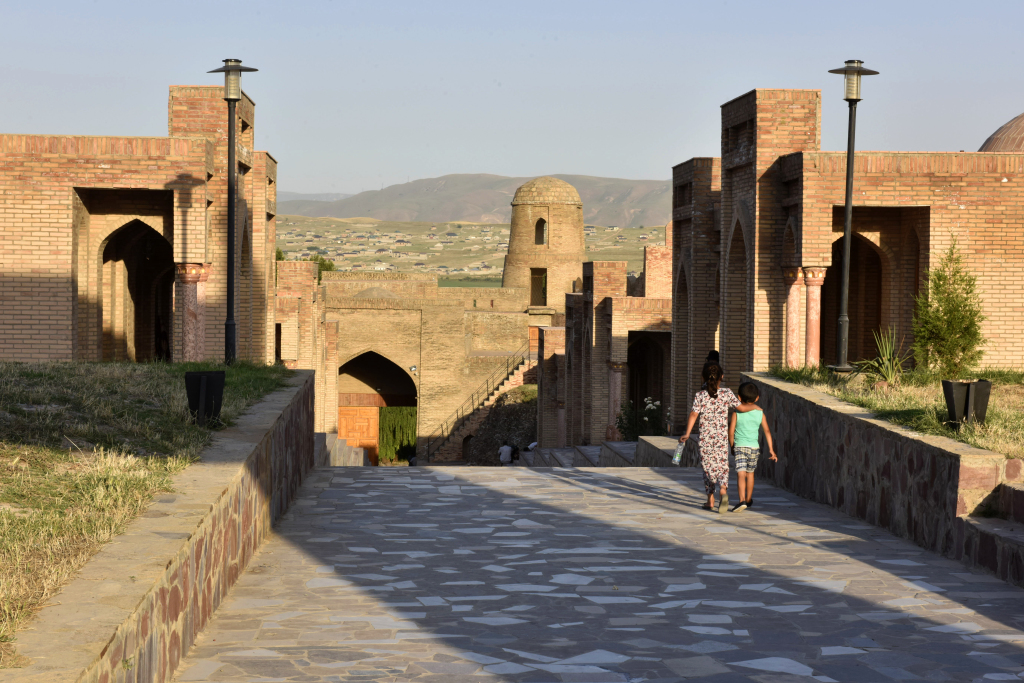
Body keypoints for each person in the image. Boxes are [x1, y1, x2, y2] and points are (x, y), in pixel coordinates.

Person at [680, 362, 739, 513]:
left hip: (705, 438)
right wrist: (754, 407)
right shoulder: (727, 393)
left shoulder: (700, 395)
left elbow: (694, 414)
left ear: (704, 378)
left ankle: (710, 500)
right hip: (720, 437)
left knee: (708, 468)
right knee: (722, 465)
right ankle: (723, 490)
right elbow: (739, 408)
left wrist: (687, 433)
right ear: (722, 377)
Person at [728, 382, 778, 512]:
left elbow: (731, 431)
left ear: (739, 397)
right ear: (757, 398)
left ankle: (742, 500)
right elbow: (767, 431)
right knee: (750, 474)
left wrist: (732, 446)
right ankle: (749, 499)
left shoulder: (736, 413)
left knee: (741, 474)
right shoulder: (760, 413)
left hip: (740, 447)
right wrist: (771, 450)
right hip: (754, 448)